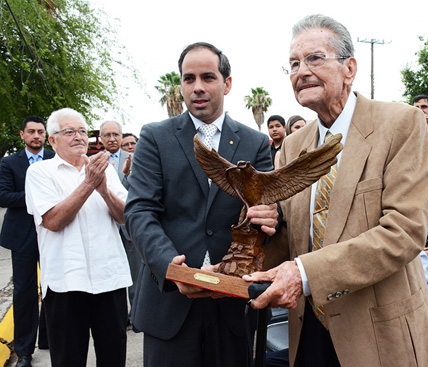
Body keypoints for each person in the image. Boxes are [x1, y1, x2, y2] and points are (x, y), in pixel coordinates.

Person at [247, 14, 428, 367]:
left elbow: (405, 232)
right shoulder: (291, 147)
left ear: (349, 68)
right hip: (307, 332)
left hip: (379, 336)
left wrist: (304, 274)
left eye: (314, 58)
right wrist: (264, 228)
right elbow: (288, 238)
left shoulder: (400, 124)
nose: (301, 71)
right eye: (293, 63)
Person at [123, 42, 278, 367]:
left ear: (227, 83)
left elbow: (271, 215)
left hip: (233, 307)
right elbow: (139, 211)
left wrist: (272, 216)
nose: (197, 87)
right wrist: (169, 266)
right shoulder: (154, 137)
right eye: (188, 78)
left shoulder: (256, 142)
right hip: (169, 307)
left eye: (208, 77)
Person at [25, 107, 132, 366]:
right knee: (68, 359)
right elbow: (53, 220)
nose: (79, 137)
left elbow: (126, 217)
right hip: (66, 283)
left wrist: (104, 191)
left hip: (110, 279)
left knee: (113, 356)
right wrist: (88, 184)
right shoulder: (40, 173)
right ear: (52, 140)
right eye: (69, 132)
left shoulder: (103, 171)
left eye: (83, 131)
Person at [0, 116, 54, 367]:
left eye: (40, 132)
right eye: (31, 132)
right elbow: (3, 196)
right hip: (21, 235)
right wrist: (36, 195)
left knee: (54, 288)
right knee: (24, 293)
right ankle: (24, 351)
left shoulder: (55, 159)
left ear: (46, 135)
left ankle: (48, 338)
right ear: (22, 135)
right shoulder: (9, 162)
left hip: (53, 231)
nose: (36, 136)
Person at [99, 120, 139, 322]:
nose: (112, 138)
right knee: (112, 272)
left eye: (116, 134)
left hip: (129, 226)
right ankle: (118, 317)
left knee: (135, 273)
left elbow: (141, 189)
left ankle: (137, 315)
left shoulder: (135, 158)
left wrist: (129, 173)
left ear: (122, 137)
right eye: (107, 135)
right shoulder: (93, 161)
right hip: (105, 228)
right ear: (101, 139)